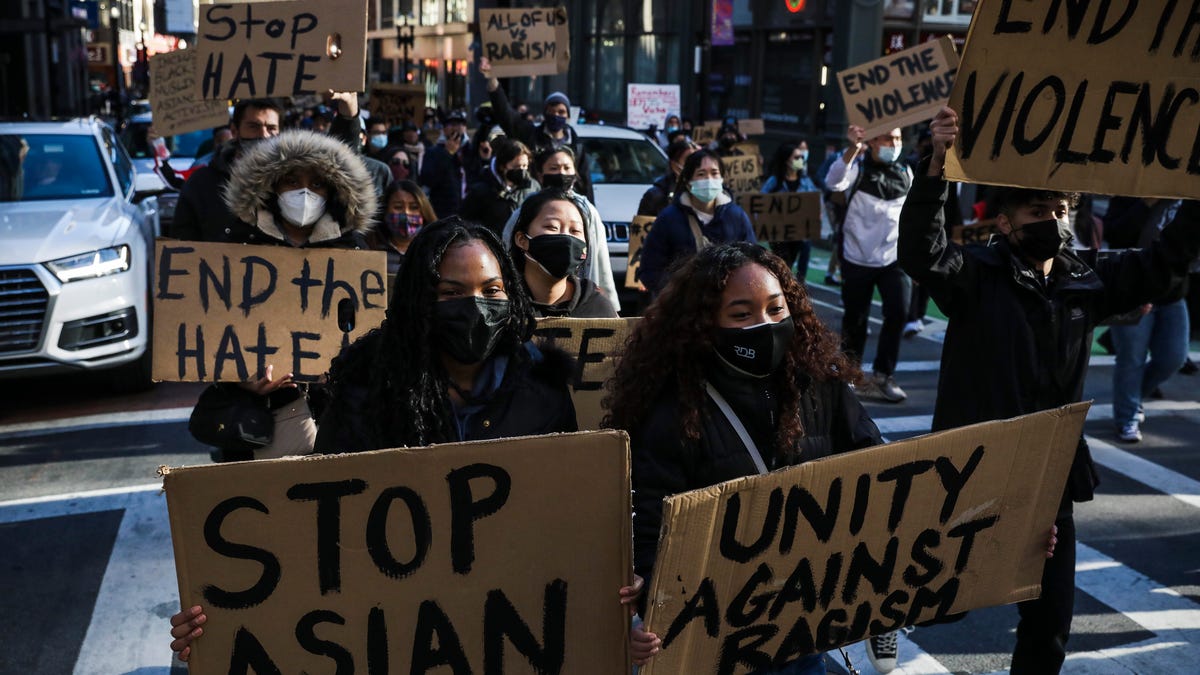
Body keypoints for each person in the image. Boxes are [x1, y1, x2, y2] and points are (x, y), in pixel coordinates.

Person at [169, 217, 604, 662]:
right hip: (401, 638)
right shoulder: (367, 390)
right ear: (420, 298)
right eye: (451, 293)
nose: (474, 306)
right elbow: (322, 531)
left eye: (491, 291)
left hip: (506, 630)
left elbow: (564, 519)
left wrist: (614, 598)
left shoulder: (542, 389)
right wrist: (225, 621)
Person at [898, 105, 1200, 674]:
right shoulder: (975, 275)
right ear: (1005, 221)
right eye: (1039, 209)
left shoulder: (1085, 280)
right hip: (973, 471)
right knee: (944, 603)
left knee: (1050, 620)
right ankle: (889, 620)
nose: (1054, 219)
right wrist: (935, 164)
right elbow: (922, 252)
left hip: (1048, 473)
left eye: (1061, 209)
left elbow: (1161, 266)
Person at [604, 242, 883, 675]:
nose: (765, 324)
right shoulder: (672, 410)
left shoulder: (819, 386)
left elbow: (876, 472)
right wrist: (646, 604)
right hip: (712, 637)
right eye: (741, 315)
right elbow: (649, 521)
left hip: (799, 627)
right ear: (703, 324)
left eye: (776, 308)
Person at [824, 125, 912, 403]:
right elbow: (833, 182)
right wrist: (853, 148)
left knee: (898, 312)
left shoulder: (907, 172)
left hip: (893, 259)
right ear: (873, 140)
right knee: (856, 319)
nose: (894, 143)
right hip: (856, 257)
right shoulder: (856, 167)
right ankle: (851, 375)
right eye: (888, 137)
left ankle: (883, 376)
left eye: (897, 138)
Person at [1102, 197, 1191, 442]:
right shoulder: (1131, 195)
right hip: (1132, 289)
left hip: (1172, 293)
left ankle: (1132, 396)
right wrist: (1145, 204)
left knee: (1173, 357)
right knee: (1131, 358)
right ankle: (1126, 416)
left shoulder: (1187, 200)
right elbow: (1116, 232)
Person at [502, 146, 621, 311]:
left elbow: (601, 261)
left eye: (567, 168)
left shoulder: (586, 210)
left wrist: (607, 302)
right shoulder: (525, 209)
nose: (561, 173)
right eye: (552, 227)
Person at [638, 149, 756, 295]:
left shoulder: (736, 216)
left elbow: (752, 261)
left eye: (714, 173)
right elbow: (650, 269)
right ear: (688, 182)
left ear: (722, 178)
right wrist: (679, 292)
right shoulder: (668, 218)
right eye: (701, 174)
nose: (709, 179)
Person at [481, 58, 593, 200]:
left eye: (561, 112)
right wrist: (492, 79)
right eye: (551, 111)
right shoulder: (530, 135)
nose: (556, 115)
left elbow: (586, 184)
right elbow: (505, 114)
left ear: (568, 116)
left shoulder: (577, 146)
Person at [171, 98, 282, 241]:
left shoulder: (292, 183)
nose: (264, 135)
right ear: (235, 131)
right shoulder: (201, 183)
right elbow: (183, 240)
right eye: (254, 127)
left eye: (271, 128)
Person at [507, 188, 617, 318]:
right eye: (552, 227)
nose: (566, 238)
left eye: (575, 230)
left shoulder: (597, 309)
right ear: (522, 240)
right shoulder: (503, 305)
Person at [762, 140, 819, 283]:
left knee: (802, 259)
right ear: (787, 161)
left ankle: (800, 288)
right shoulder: (774, 182)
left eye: (801, 157)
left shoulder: (806, 181)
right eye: (796, 157)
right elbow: (760, 204)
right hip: (780, 234)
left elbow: (815, 203)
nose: (800, 160)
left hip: (801, 233)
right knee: (783, 266)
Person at [460, 137, 538, 237]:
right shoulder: (481, 191)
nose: (522, 171)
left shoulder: (532, 187)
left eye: (524, 166)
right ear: (502, 167)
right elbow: (466, 221)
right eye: (516, 167)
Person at [367, 179, 437, 276]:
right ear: (385, 212)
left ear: (424, 212)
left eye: (414, 208)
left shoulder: (436, 251)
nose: (406, 213)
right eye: (398, 207)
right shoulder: (370, 249)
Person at [419, 111, 471, 218]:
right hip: (444, 213)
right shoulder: (433, 152)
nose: (455, 128)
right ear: (444, 129)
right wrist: (447, 154)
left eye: (459, 124)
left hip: (469, 212)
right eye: (451, 124)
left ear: (465, 127)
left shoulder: (472, 150)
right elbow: (428, 180)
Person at [637, 138, 698, 218]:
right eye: (689, 160)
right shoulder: (655, 196)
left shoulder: (703, 192)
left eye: (697, 160)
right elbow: (643, 227)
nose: (695, 165)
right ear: (674, 166)